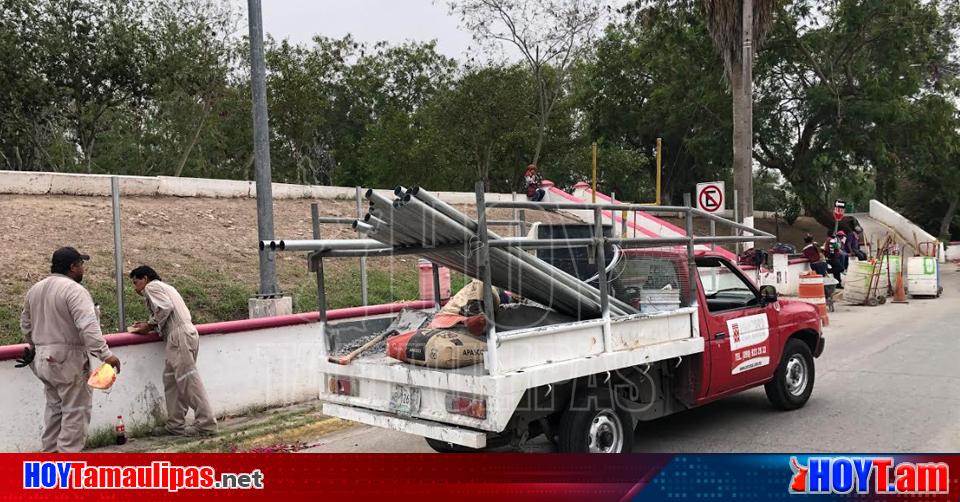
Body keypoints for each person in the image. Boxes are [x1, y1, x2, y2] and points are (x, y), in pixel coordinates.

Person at [19, 247, 121, 453]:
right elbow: (88, 326)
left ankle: (48, 466)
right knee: (75, 413)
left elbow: (25, 326)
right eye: (81, 264)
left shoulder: (35, 289)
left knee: (54, 412)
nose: (83, 269)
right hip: (68, 359)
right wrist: (106, 355)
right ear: (72, 266)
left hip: (42, 359)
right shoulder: (74, 290)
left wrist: (35, 345)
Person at [128, 266, 217, 436]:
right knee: (172, 381)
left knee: (188, 381)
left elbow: (165, 307)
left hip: (178, 336)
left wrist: (150, 324)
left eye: (136, 282)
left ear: (145, 278)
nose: (135, 288)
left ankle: (206, 424)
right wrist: (152, 324)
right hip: (183, 335)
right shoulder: (167, 287)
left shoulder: (151, 287)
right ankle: (175, 424)